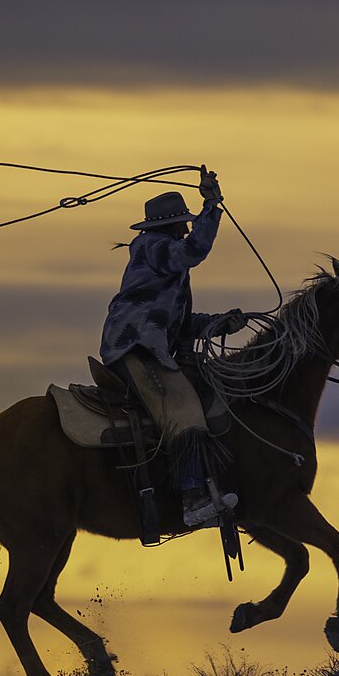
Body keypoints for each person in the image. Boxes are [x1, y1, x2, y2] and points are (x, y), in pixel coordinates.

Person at [100, 166, 247, 528]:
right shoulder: (154, 248)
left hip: (152, 345)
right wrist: (211, 205)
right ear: (170, 227)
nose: (185, 228)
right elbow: (194, 250)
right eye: (182, 224)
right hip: (135, 347)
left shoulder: (164, 262)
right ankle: (194, 500)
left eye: (187, 223)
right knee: (185, 412)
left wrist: (219, 323)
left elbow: (178, 326)